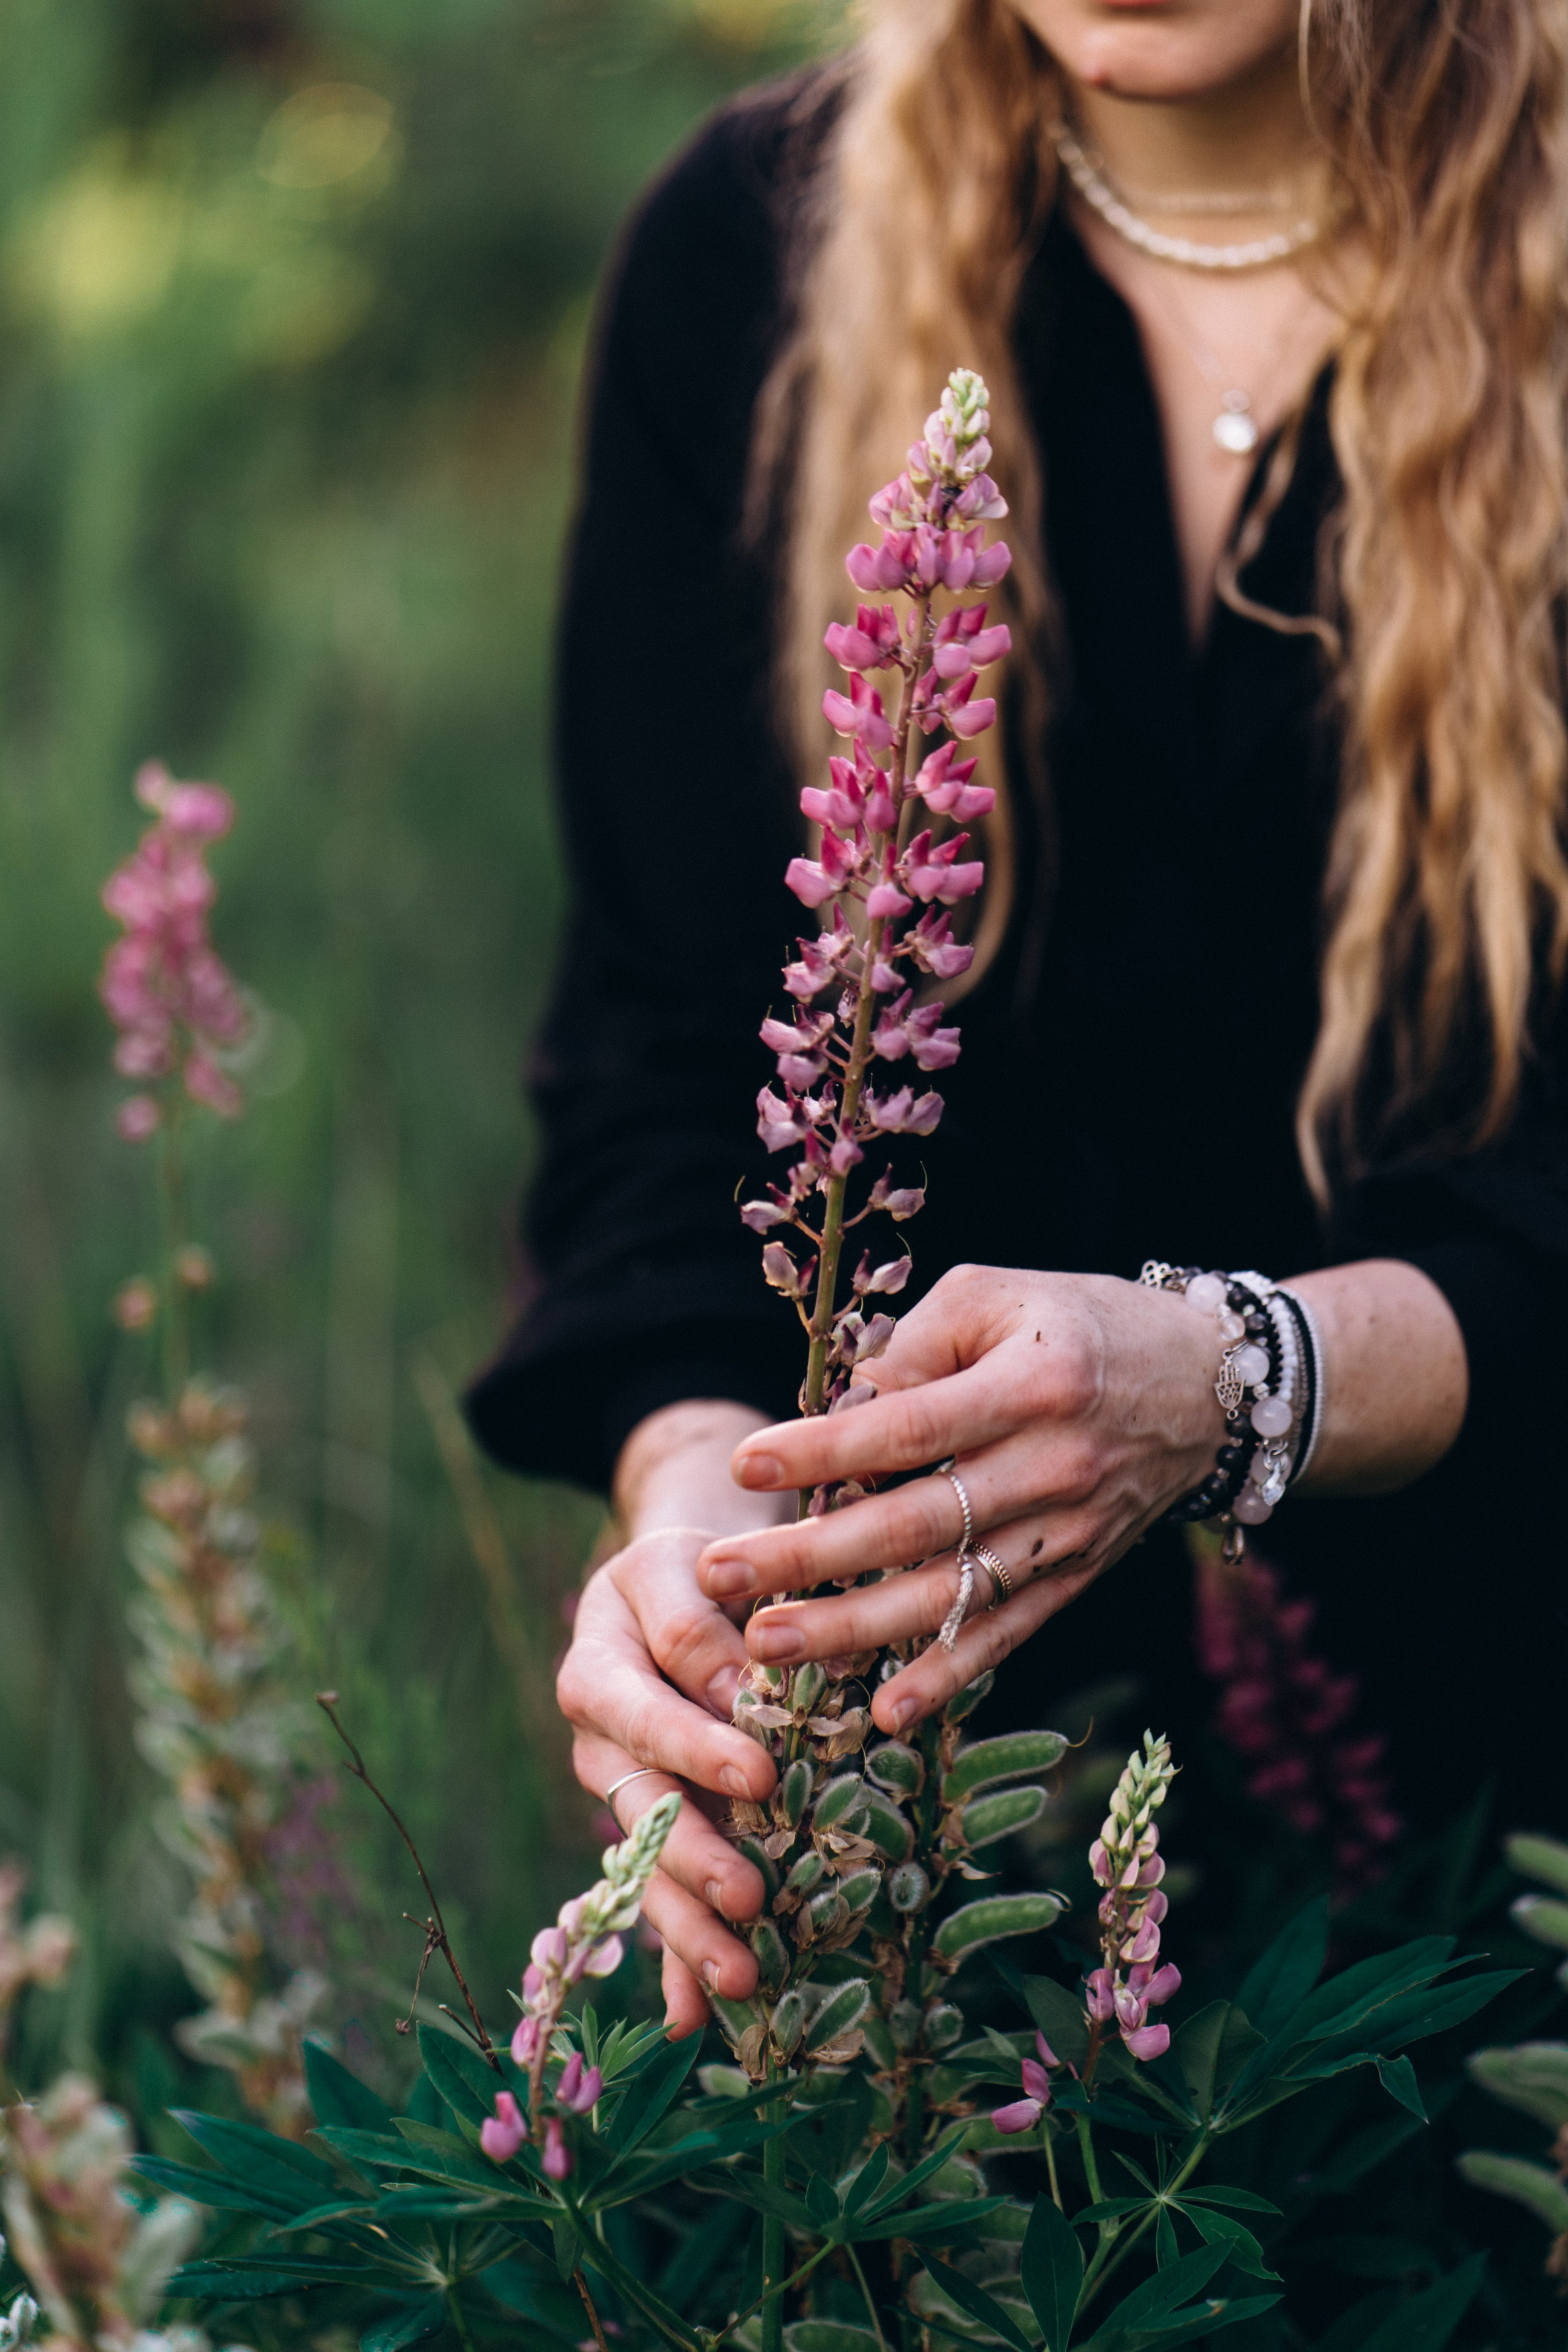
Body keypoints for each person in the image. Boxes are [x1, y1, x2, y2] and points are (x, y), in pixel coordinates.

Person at [467, 0, 1568, 2037]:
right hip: (938, 1843)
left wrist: (1249, 1376)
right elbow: (672, 1055)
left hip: (1514, 1847)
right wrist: (702, 1506)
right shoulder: (756, 248)